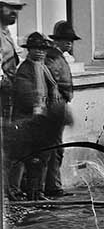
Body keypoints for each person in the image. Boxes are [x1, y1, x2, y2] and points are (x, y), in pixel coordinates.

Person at [9, 33, 58, 198]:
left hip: (41, 121)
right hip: (26, 120)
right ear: (29, 50)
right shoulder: (25, 69)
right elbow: (25, 96)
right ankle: (16, 191)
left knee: (42, 157)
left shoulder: (43, 68)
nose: (40, 52)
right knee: (23, 158)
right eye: (36, 49)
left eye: (43, 49)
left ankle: (37, 191)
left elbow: (52, 89)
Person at [41, 22, 77, 197]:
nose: (69, 43)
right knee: (55, 147)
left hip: (59, 105)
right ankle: (53, 186)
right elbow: (51, 81)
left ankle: (52, 184)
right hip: (55, 106)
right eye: (65, 39)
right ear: (57, 40)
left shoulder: (58, 56)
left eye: (71, 40)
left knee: (56, 146)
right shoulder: (53, 57)